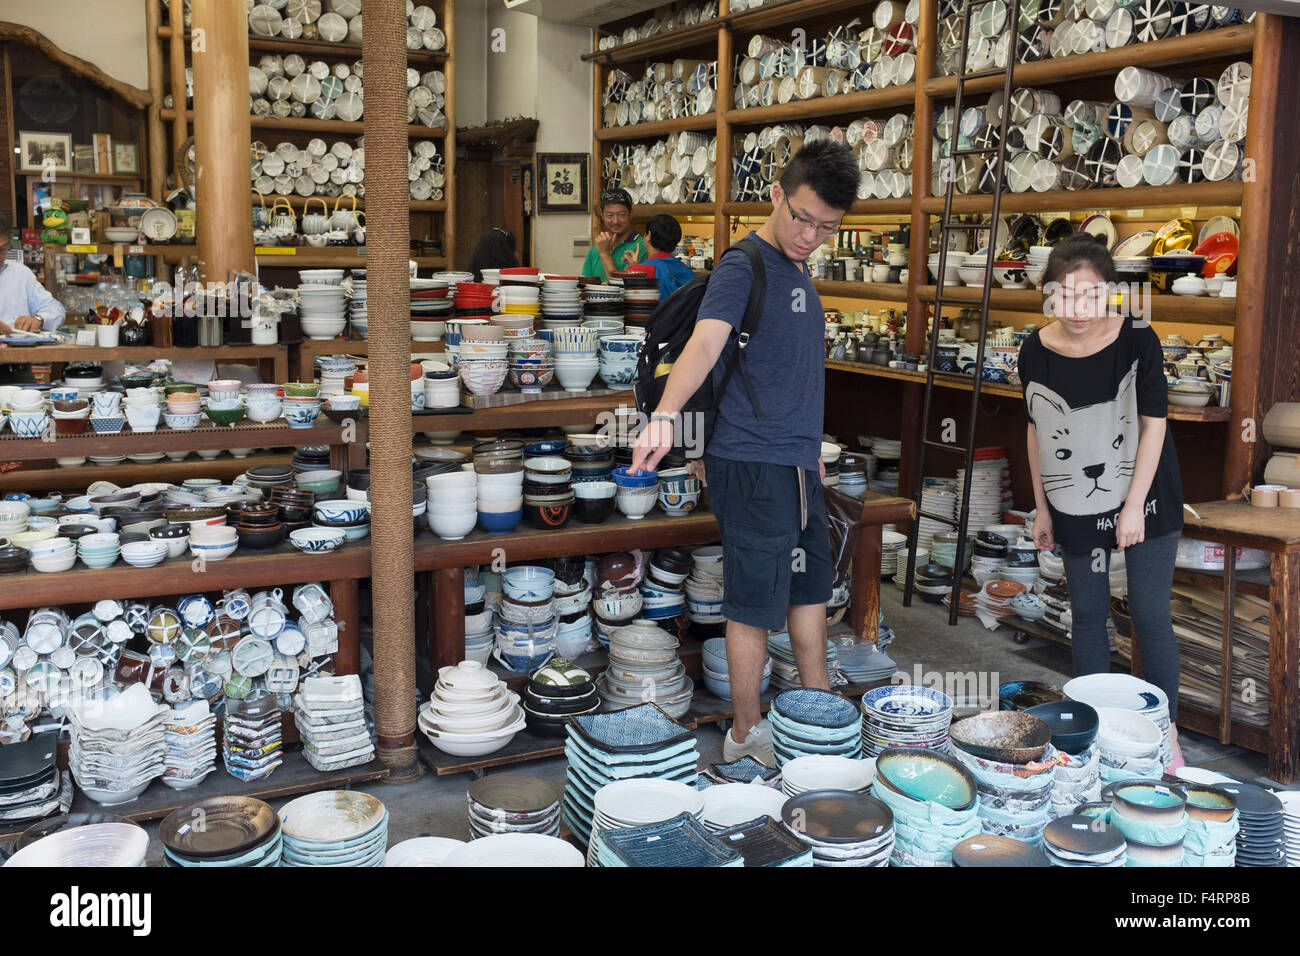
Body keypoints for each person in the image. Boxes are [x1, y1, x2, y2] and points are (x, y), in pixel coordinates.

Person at [629, 140, 860, 766]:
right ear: (776, 195)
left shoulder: (797, 269)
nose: (810, 235)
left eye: (826, 227)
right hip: (752, 464)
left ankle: (821, 716)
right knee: (754, 604)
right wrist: (664, 419)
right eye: (801, 217)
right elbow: (704, 346)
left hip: (796, 465)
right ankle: (745, 735)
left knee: (811, 592)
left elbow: (790, 373)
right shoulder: (745, 265)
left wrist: (811, 451)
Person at [1017, 234, 1185, 769]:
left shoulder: (1138, 337)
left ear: (1111, 293)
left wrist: (1133, 506)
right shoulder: (1034, 349)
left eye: (1089, 296)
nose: (1077, 309)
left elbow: (1155, 424)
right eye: (1064, 297)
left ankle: (1164, 736)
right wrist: (1042, 506)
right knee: (1088, 616)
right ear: (1047, 296)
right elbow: (1036, 429)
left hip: (1146, 490)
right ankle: (1094, 734)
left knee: (1149, 614)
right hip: (1073, 494)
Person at [0, 217, 65, 336]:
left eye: (3, 249)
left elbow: (56, 310)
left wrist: (39, 319)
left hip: (18, 352)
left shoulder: (21, 273)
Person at [624, 214, 697, 299]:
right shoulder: (686, 271)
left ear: (648, 236)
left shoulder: (638, 271)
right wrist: (636, 266)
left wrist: (634, 269)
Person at [581, 188, 646, 281]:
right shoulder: (596, 249)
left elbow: (621, 286)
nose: (615, 221)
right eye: (609, 216)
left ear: (631, 214)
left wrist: (605, 253)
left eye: (622, 215)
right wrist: (603, 250)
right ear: (602, 216)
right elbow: (585, 286)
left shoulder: (641, 247)